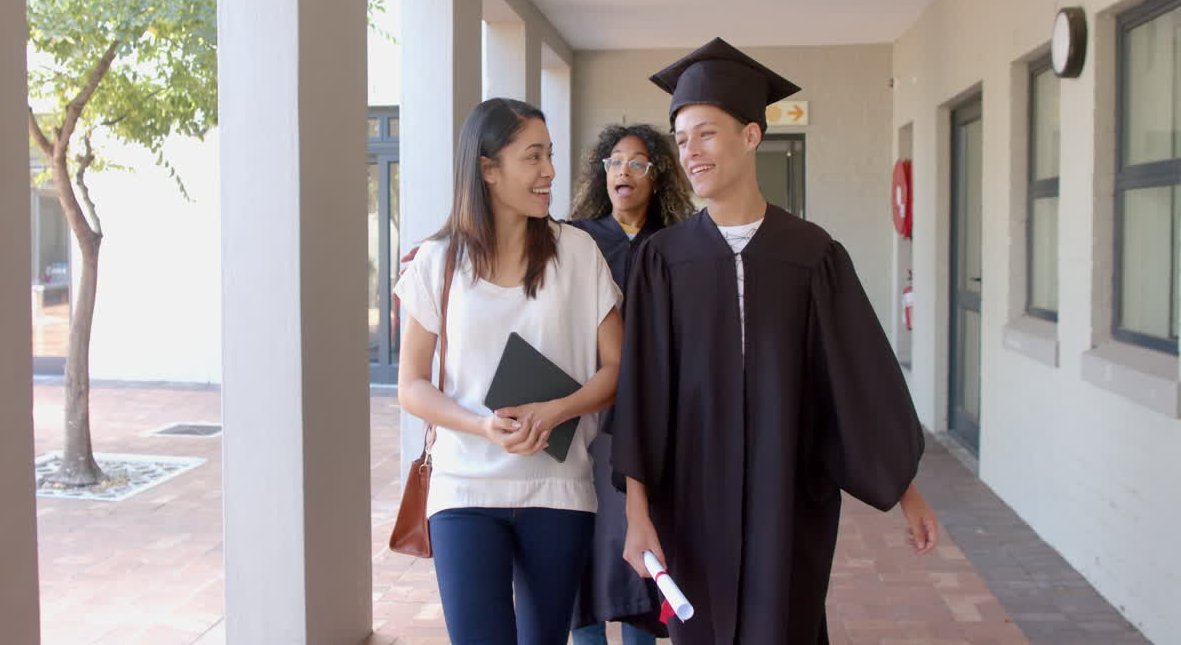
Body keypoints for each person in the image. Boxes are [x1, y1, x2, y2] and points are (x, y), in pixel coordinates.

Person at [611, 37, 940, 644]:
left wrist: (905, 489)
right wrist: (636, 514)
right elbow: (641, 394)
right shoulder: (662, 259)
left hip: (785, 493)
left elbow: (856, 379)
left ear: (752, 135)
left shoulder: (812, 254)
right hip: (693, 498)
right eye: (681, 142)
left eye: (706, 134)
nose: (691, 153)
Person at [393, 97, 625, 645]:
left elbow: (619, 366)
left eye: (549, 156)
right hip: (464, 488)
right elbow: (412, 385)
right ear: (488, 168)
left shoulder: (578, 253)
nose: (549, 172)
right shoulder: (437, 261)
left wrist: (558, 410)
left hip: (558, 489)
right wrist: (481, 425)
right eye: (533, 157)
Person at [567, 123, 695, 645]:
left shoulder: (679, 246)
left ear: (656, 174)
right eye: (615, 161)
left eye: (637, 162)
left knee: (642, 552)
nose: (624, 170)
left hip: (655, 419)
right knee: (588, 552)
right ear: (604, 173)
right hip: (591, 416)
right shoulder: (575, 241)